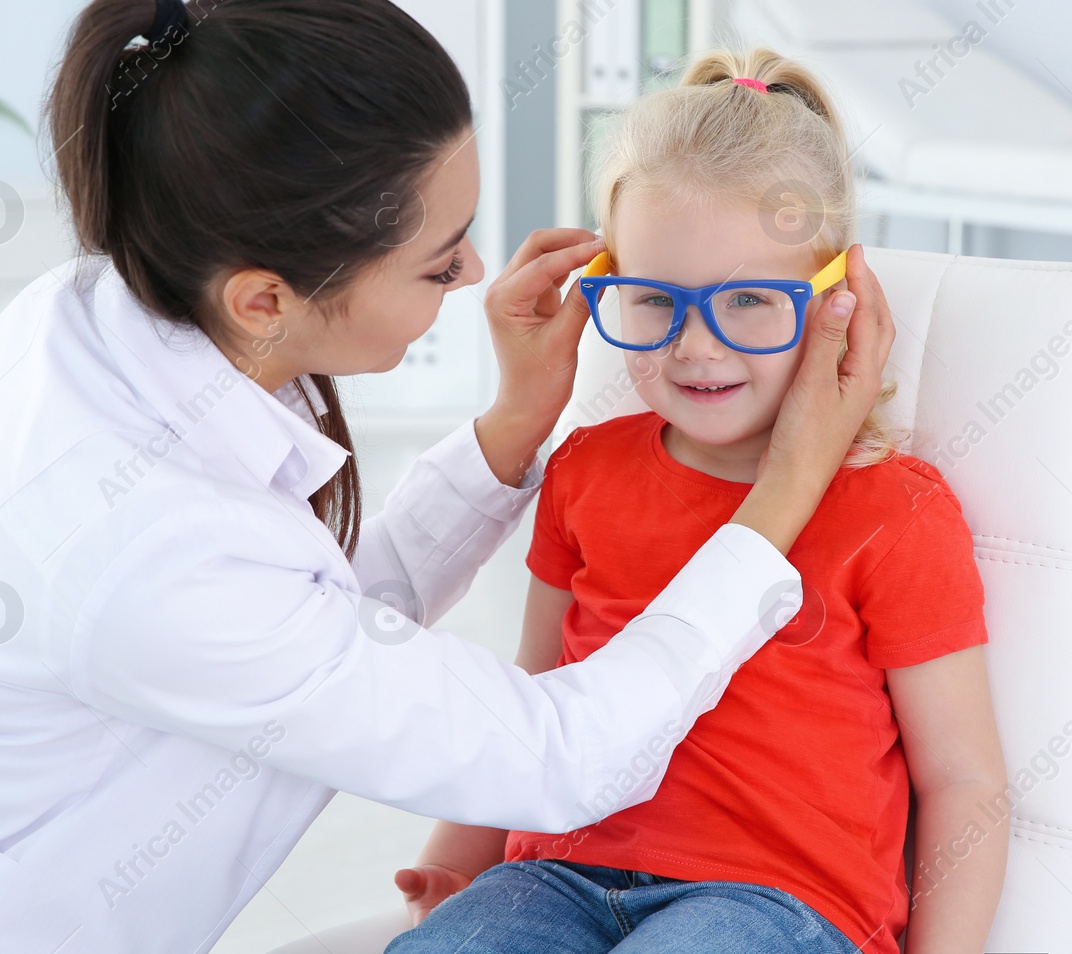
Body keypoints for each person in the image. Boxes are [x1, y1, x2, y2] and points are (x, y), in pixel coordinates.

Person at [0, 0, 895, 953]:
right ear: (266, 298)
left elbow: (322, 616)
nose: (471, 271)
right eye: (431, 260)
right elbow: (555, 751)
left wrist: (513, 419)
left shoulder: (93, 308)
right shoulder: (141, 550)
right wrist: (786, 484)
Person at [387, 49, 1007, 954]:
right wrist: (460, 854)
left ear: (839, 297)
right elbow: (536, 697)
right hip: (555, 874)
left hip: (774, 903)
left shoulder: (894, 511)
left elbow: (963, 779)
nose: (695, 346)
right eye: (653, 300)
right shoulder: (585, 472)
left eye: (751, 300)